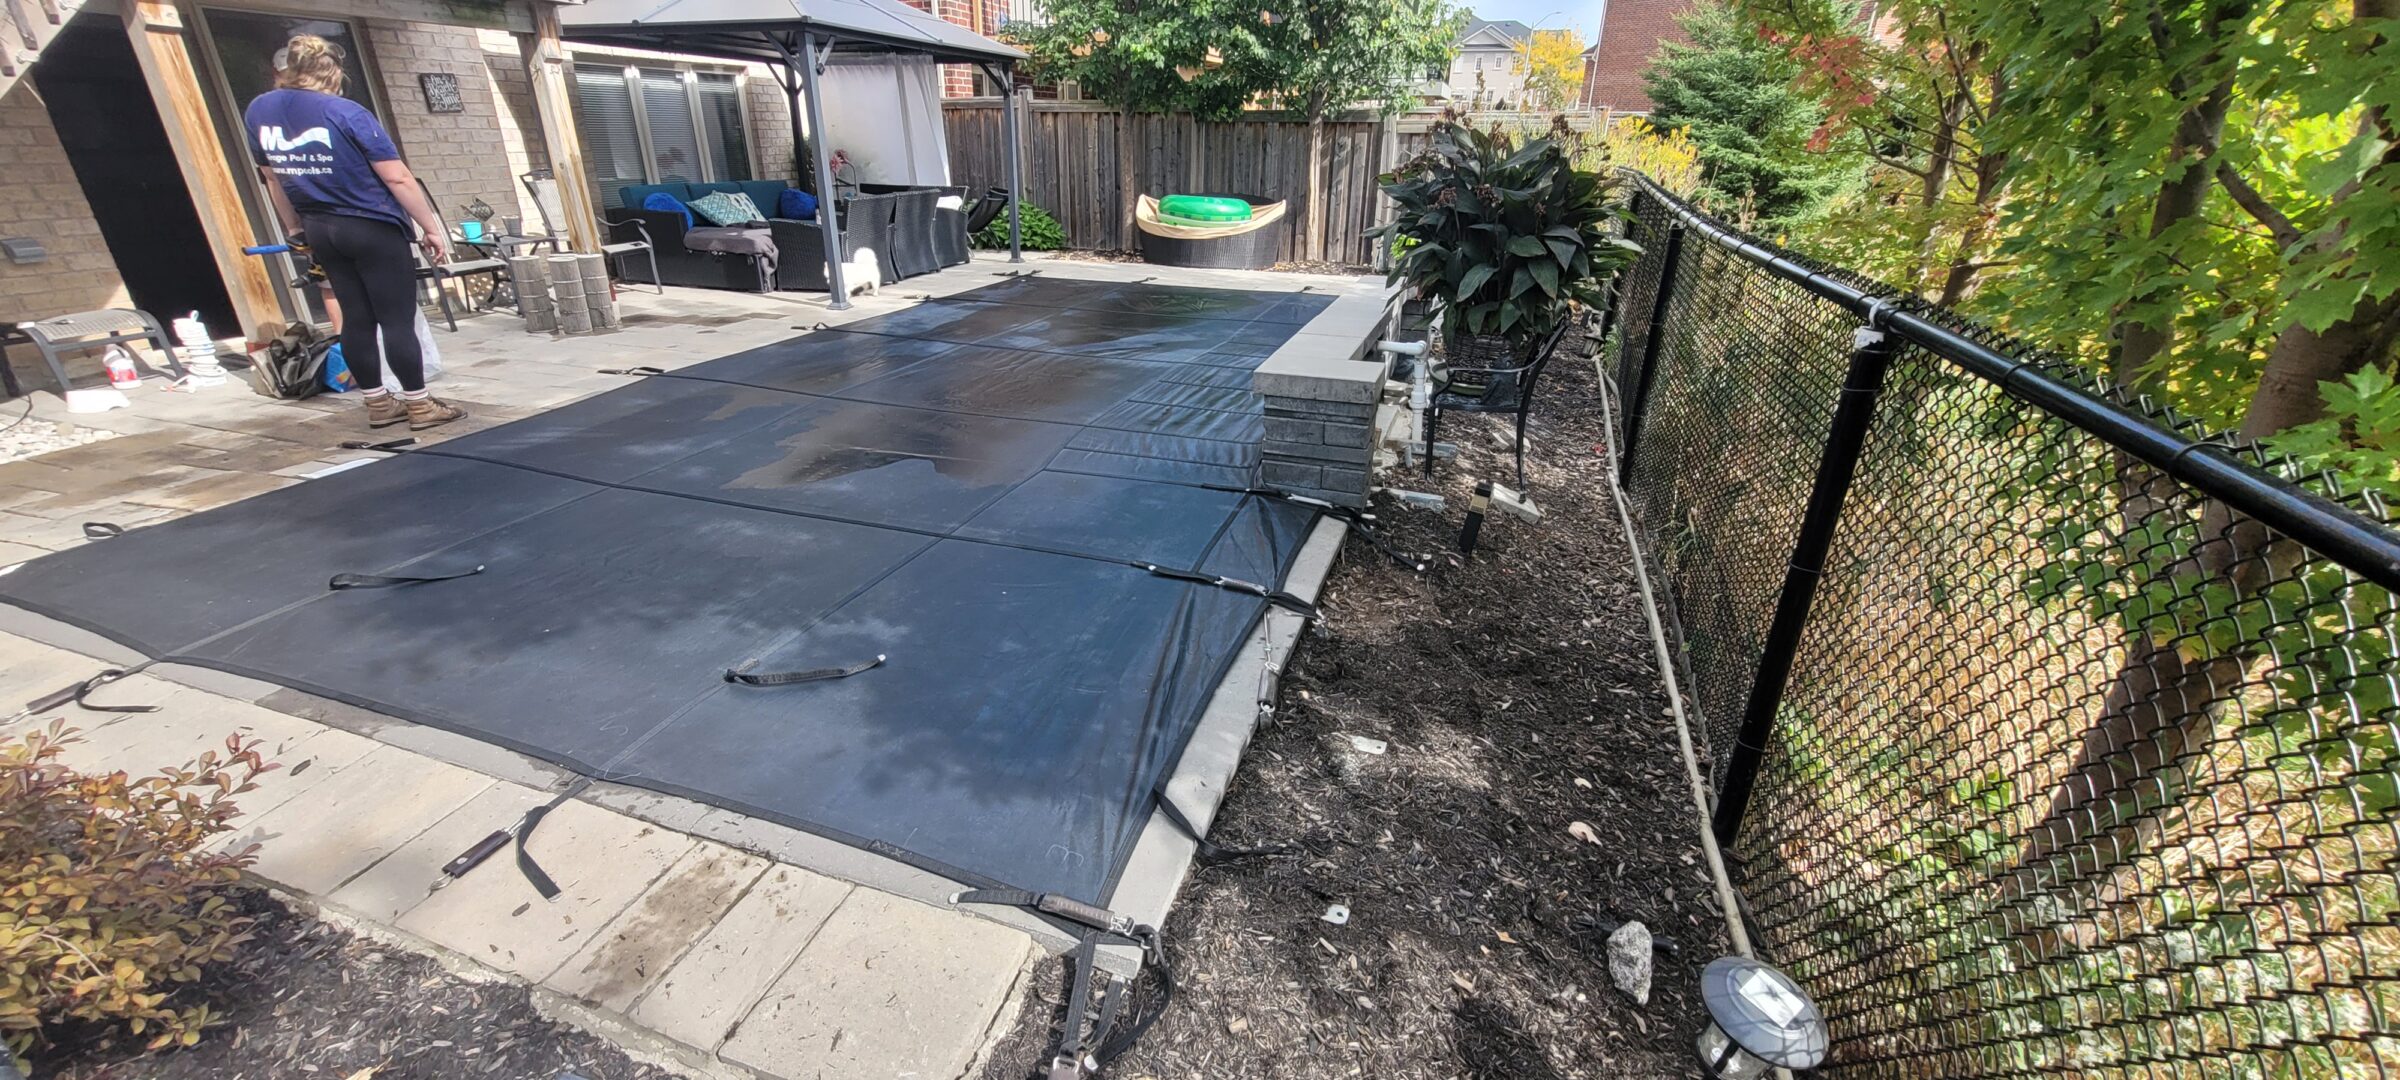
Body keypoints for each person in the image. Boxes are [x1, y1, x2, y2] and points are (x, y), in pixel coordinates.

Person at [245, 35, 464, 431]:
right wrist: (431, 228)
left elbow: (272, 178)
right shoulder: (344, 111)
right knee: (396, 317)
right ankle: (418, 404)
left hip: (319, 226)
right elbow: (396, 177)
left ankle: (378, 404)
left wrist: (295, 228)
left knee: (356, 318)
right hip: (370, 224)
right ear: (333, 72)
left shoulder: (261, 110)